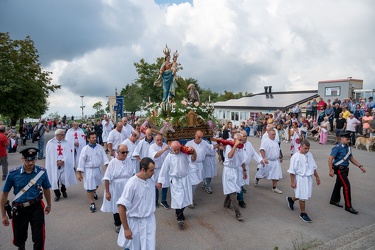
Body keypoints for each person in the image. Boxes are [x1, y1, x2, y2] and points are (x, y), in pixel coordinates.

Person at [1, 147, 52, 250]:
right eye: (27, 160)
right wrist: (3, 215)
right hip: (20, 209)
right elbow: (5, 194)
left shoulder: (42, 172)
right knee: (20, 238)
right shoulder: (13, 174)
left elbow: (46, 189)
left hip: (36, 207)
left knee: (39, 237)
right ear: (22, 159)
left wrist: (49, 205)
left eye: (33, 160)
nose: (30, 163)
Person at [117, 157, 156, 250]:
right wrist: (126, 229)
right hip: (135, 223)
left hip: (149, 221)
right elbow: (121, 206)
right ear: (143, 170)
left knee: (148, 246)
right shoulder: (132, 183)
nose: (153, 172)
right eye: (151, 170)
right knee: (132, 247)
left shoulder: (151, 180)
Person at [156, 141, 196, 228]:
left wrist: (193, 151)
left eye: (178, 149)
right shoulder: (169, 156)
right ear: (172, 149)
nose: (177, 151)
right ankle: (180, 218)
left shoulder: (184, 153)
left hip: (185, 179)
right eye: (175, 150)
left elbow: (193, 159)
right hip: (175, 181)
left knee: (185, 198)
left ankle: (179, 213)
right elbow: (164, 169)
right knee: (178, 199)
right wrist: (160, 181)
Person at [328, 132, 366, 214]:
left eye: (349, 139)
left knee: (338, 184)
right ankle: (348, 206)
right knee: (346, 187)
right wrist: (331, 170)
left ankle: (334, 200)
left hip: (345, 169)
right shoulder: (337, 148)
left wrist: (360, 166)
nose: (348, 141)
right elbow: (330, 159)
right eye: (347, 139)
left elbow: (351, 158)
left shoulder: (348, 148)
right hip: (339, 170)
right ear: (342, 139)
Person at [101, 144, 133, 233]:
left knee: (127, 204)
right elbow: (107, 178)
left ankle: (126, 222)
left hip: (127, 186)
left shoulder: (129, 160)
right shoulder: (113, 163)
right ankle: (117, 224)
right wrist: (107, 192)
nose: (125, 154)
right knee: (117, 206)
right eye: (123, 152)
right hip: (116, 187)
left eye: (127, 152)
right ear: (118, 153)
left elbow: (133, 174)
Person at [286, 140, 321, 223]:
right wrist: (292, 181)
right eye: (305, 148)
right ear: (300, 147)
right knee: (303, 197)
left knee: (302, 194)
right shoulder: (295, 156)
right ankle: (303, 213)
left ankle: (291, 199)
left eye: (308, 148)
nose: (307, 150)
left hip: (308, 178)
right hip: (300, 178)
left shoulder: (309, 155)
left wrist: (317, 177)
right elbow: (292, 171)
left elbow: (313, 167)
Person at [77, 132, 109, 212]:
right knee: (89, 187)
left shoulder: (99, 147)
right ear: (88, 139)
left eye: (95, 137)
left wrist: (108, 167)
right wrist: (79, 173)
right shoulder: (85, 149)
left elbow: (105, 158)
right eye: (92, 137)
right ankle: (92, 203)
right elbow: (81, 161)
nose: (95, 139)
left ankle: (94, 191)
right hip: (89, 170)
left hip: (98, 169)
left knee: (97, 184)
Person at [185, 130, 218, 207]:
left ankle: (190, 198)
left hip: (200, 165)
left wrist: (220, 143)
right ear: (195, 136)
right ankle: (190, 200)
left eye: (201, 137)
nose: (200, 139)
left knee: (197, 182)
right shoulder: (189, 144)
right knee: (194, 183)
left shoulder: (204, 143)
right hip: (191, 165)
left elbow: (211, 147)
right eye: (198, 137)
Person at [45, 129, 76, 202]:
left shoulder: (66, 143)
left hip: (64, 164)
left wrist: (63, 160)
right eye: (62, 135)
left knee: (64, 178)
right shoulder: (50, 143)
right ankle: (57, 194)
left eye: (64, 134)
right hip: (54, 164)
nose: (63, 136)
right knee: (55, 179)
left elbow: (69, 153)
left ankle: (63, 190)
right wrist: (55, 161)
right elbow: (49, 155)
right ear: (57, 135)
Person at [222, 133, 246, 221]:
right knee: (233, 192)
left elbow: (242, 160)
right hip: (229, 171)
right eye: (239, 140)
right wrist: (235, 146)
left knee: (234, 189)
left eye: (242, 140)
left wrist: (244, 171)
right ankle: (238, 213)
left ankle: (226, 204)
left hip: (236, 171)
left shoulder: (241, 148)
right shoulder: (229, 146)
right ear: (235, 140)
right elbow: (229, 156)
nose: (241, 141)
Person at [237, 131, 263, 208]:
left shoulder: (248, 144)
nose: (245, 137)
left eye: (246, 136)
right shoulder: (236, 144)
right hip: (238, 168)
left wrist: (260, 160)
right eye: (243, 136)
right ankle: (240, 200)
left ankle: (238, 193)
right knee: (239, 183)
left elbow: (254, 153)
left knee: (241, 183)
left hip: (245, 167)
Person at [148, 133, 171, 209]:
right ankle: (155, 201)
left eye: (161, 139)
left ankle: (163, 201)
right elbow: (155, 155)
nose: (160, 141)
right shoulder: (152, 147)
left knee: (165, 185)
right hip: (156, 169)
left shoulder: (165, 145)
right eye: (158, 140)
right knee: (155, 186)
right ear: (155, 140)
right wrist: (164, 149)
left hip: (164, 169)